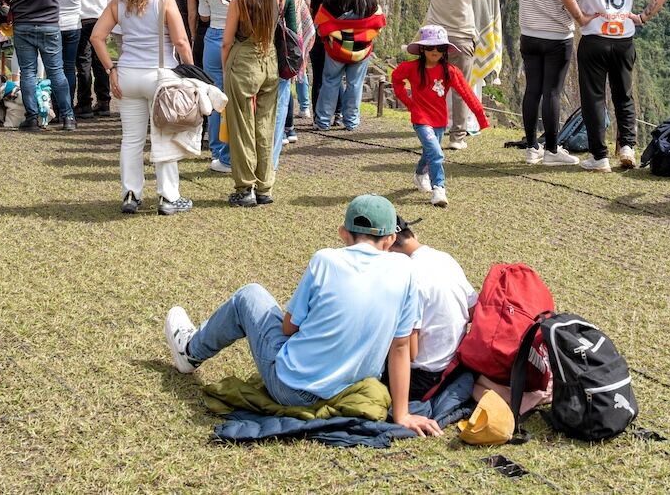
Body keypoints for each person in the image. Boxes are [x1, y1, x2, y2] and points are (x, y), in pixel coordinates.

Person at [162, 194, 440, 436]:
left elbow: (288, 327)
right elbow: (401, 347)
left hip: (293, 388)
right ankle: (192, 349)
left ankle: (191, 350)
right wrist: (402, 415)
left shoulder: (326, 260)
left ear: (344, 233)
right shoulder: (405, 271)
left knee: (250, 295)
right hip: (354, 388)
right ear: (391, 238)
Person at [90, 0, 196, 215]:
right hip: (160, 76)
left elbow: (97, 37)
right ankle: (168, 197)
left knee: (131, 139)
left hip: (127, 74)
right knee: (164, 137)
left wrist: (110, 69)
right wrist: (193, 74)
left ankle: (131, 194)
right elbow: (182, 42)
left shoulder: (119, 3)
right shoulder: (164, 0)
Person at [561, 0, 670, 173]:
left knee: (594, 98)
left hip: (595, 40)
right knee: (624, 94)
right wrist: (642, 17)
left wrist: (581, 18)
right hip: (624, 40)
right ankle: (627, 148)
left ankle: (599, 157)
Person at [391, 25, 489, 208]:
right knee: (436, 152)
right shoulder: (411, 68)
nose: (435, 51)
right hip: (420, 118)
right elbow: (396, 79)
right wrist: (409, 102)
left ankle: (420, 173)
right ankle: (439, 189)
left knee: (430, 151)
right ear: (422, 49)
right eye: (430, 47)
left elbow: (467, 93)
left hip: (439, 120)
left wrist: (480, 118)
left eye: (440, 47)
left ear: (445, 50)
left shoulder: (450, 71)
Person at [222, 0, 284, 207]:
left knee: (241, 125)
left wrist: (227, 68)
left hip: (244, 60)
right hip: (269, 60)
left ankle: (245, 187)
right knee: (265, 125)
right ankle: (264, 187)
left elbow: (226, 42)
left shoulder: (239, 0)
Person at [515, 0, 581, 166]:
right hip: (556, 38)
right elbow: (576, 4)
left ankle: (532, 147)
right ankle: (551, 150)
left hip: (529, 35)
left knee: (532, 90)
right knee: (551, 92)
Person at [392, 216, 477, 399]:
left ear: (387, 245)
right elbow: (473, 311)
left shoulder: (406, 275)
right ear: (411, 233)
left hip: (421, 377)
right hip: (453, 364)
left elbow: (409, 353)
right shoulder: (444, 258)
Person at [2, 0, 73, 132]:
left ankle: (31, 118)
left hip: (24, 25)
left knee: (28, 73)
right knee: (57, 72)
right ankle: (68, 117)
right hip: (50, 24)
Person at [421, 0, 487, 149]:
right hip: (461, 37)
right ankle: (457, 137)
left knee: (433, 84)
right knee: (461, 87)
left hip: (435, 40)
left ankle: (432, 131)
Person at [313, 0, 386, 131]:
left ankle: (323, 121)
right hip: (361, 49)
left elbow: (321, 21)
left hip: (336, 49)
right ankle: (351, 121)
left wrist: (335, 33)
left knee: (330, 81)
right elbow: (378, 21)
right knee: (355, 84)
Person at [197, 0, 239, 172]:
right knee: (235, 95)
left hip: (213, 37)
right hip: (236, 39)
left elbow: (203, 15)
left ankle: (217, 150)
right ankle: (232, 152)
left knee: (215, 96)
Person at [259, 0, 303, 167]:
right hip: (281, 57)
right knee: (278, 112)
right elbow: (294, 30)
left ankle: (255, 161)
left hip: (256, 56)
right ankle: (271, 163)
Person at [266, 0, 312, 146]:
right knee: (287, 85)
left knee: (280, 89)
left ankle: (281, 132)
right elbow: (305, 7)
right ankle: (289, 128)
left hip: (272, 42)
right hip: (289, 41)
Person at [70, 0, 113, 117]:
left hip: (81, 18)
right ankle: (104, 102)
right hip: (103, 17)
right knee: (101, 61)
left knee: (83, 62)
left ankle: (85, 103)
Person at [461, 0, 502, 139]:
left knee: (469, 82)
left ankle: (468, 121)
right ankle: (469, 121)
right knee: (471, 82)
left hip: (471, 35)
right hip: (477, 37)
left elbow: (491, 13)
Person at [52, 0, 87, 116]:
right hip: (74, 23)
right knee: (69, 67)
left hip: (54, 23)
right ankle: (69, 107)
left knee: (54, 67)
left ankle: (57, 108)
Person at [307, 0, 340, 112]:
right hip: (336, 41)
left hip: (318, 41)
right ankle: (338, 113)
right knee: (336, 78)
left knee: (318, 79)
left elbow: (312, 17)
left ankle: (316, 114)